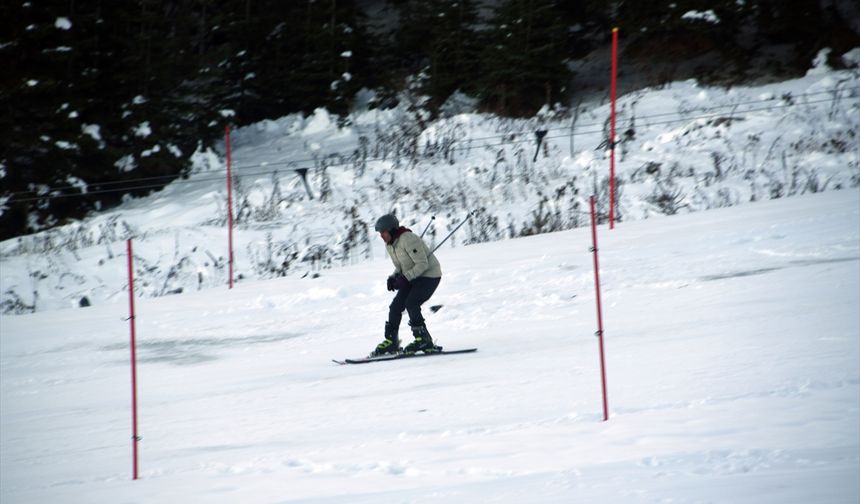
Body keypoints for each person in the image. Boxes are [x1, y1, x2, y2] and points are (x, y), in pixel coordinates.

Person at [371, 214, 443, 356]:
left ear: (391, 230)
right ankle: (392, 342)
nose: (381, 236)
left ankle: (424, 340)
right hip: (413, 277)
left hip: (429, 276)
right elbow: (401, 267)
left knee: (411, 303)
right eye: (380, 233)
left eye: (383, 232)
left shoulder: (408, 239)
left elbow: (423, 264)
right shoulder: (390, 245)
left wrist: (404, 278)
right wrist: (393, 277)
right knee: (395, 307)